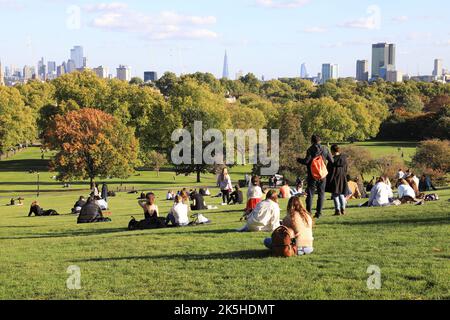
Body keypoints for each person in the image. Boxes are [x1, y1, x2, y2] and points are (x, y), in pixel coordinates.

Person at [297, 135, 334, 219]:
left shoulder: (310, 149)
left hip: (312, 175)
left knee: (310, 194)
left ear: (312, 141)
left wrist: (298, 159)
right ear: (320, 140)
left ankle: (308, 213)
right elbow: (332, 161)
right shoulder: (325, 149)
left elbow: (306, 161)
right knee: (321, 194)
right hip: (322, 175)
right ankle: (319, 213)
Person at [326, 145, 350, 216]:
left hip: (334, 178)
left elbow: (328, 170)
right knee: (342, 194)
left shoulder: (331, 160)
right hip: (342, 177)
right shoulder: (344, 158)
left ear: (332, 150)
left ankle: (337, 210)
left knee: (335, 194)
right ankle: (343, 209)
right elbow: (346, 168)